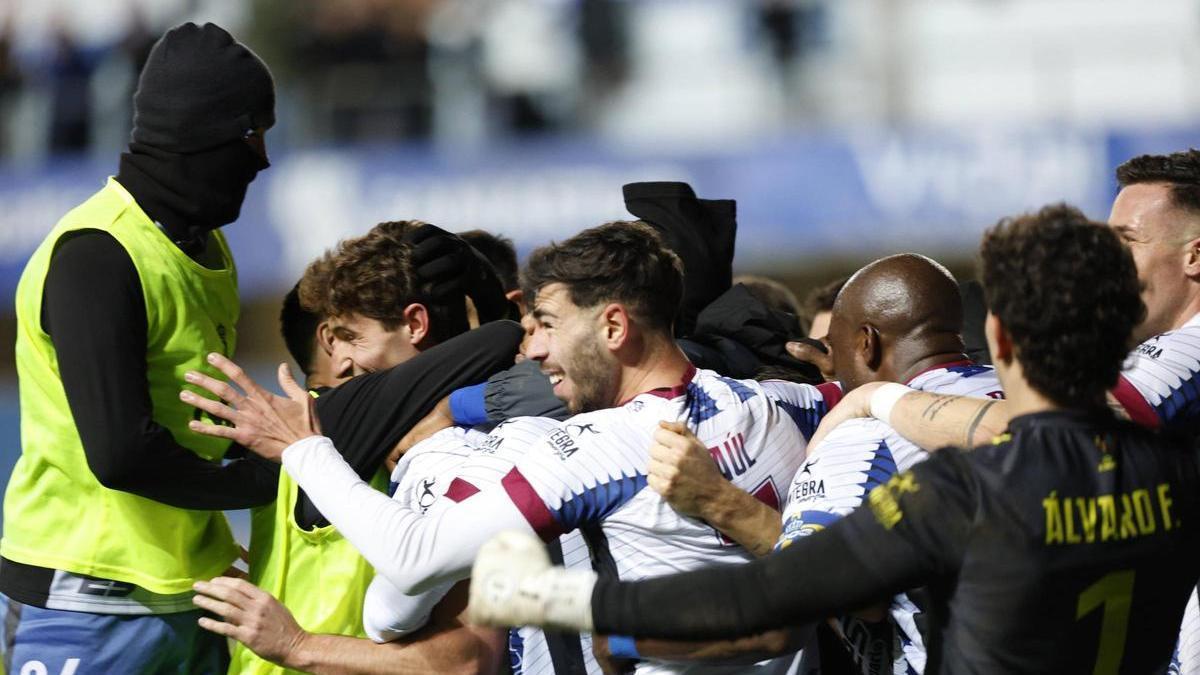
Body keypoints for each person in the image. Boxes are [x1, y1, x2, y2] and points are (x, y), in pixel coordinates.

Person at [470, 204, 1200, 674]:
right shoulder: (1179, 469)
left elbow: (766, 602)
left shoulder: (957, 492)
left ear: (1000, 336)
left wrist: (560, 597)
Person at [184, 220, 840, 673]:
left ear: (614, 325)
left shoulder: (590, 448)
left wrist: (303, 451)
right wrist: (864, 396)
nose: (535, 349)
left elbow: (411, 578)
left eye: (547, 325)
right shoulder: (782, 401)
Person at [0, 22, 276, 673]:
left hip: (188, 591)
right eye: (252, 136)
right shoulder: (98, 255)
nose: (262, 159)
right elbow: (122, 454)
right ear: (202, 135)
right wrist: (270, 481)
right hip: (85, 599)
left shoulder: (204, 245)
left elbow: (204, 417)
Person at [650, 254, 1002, 672]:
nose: (831, 369)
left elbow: (803, 594)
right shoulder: (1032, 394)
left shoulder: (860, 440)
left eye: (835, 348)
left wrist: (719, 501)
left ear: (866, 342)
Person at [204, 221, 520, 675]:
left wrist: (297, 646)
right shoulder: (333, 423)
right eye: (335, 339)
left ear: (416, 323)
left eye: (352, 337)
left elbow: (463, 661)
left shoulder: (467, 455)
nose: (343, 361)